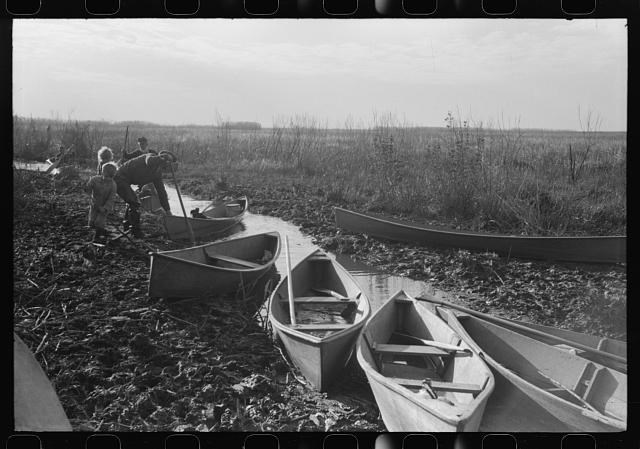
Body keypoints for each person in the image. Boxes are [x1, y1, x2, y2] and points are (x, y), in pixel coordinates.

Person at [113, 151, 177, 237]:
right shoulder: (150, 156)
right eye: (168, 162)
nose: (168, 166)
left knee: (132, 201)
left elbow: (161, 192)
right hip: (119, 178)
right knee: (134, 202)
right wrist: (161, 158)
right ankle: (135, 231)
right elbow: (149, 161)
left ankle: (127, 228)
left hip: (126, 180)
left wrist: (168, 211)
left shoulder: (157, 174)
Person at [87, 162, 118, 242]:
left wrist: (105, 208)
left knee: (100, 222)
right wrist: (87, 187)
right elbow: (88, 189)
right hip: (94, 205)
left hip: (104, 208)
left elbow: (111, 198)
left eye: (110, 177)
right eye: (106, 176)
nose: (108, 179)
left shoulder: (113, 185)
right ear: (102, 172)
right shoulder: (95, 179)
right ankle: (100, 232)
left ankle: (97, 237)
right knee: (92, 221)